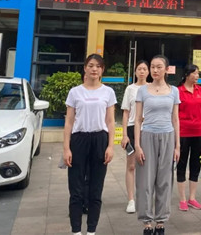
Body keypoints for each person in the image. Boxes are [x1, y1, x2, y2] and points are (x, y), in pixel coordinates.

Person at [63, 54, 116, 235]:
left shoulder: (108, 92)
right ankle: (76, 231)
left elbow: (110, 121)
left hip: (100, 140)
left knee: (96, 189)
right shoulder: (75, 92)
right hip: (79, 140)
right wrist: (66, 148)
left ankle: (91, 230)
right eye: (91, 65)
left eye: (98, 66)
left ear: (102, 70)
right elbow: (69, 122)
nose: (94, 69)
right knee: (76, 189)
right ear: (85, 68)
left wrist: (110, 146)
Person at [134, 55, 180, 235]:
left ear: (166, 69)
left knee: (164, 181)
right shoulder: (143, 91)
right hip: (147, 136)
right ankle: (147, 222)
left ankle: (161, 221)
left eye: (159, 67)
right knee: (145, 181)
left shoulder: (174, 91)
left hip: (168, 137)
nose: (155, 70)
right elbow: (138, 119)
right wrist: (137, 145)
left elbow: (175, 119)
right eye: (152, 67)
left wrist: (177, 146)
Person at [120, 60, 149, 213]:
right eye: (139, 69)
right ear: (135, 71)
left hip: (148, 129)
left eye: (144, 69)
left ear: (148, 72)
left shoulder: (152, 88)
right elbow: (125, 112)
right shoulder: (130, 89)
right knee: (131, 166)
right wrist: (124, 134)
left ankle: (144, 197)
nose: (142, 71)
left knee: (147, 166)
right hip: (132, 129)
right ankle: (131, 200)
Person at [177, 64, 201, 211]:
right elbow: (174, 114)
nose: (197, 76)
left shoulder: (200, 90)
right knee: (181, 164)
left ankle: (192, 198)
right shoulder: (178, 91)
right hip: (183, 133)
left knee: (196, 165)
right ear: (187, 74)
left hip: (198, 133)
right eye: (195, 73)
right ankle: (182, 199)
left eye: (198, 73)